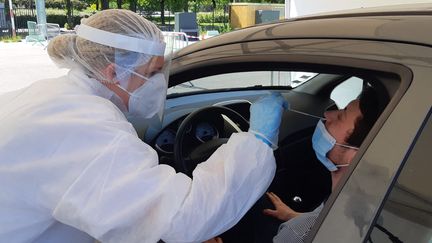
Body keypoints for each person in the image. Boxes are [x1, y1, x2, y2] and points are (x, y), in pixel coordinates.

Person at [0, 9, 288, 243]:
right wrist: (258, 140)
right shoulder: (85, 127)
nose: (157, 84)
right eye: (151, 73)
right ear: (113, 72)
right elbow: (183, 219)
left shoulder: (50, 95)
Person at [264, 87, 383, 243]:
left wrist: (300, 223)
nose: (328, 114)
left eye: (341, 116)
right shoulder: (370, 202)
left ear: (357, 155)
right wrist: (294, 216)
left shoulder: (300, 234)